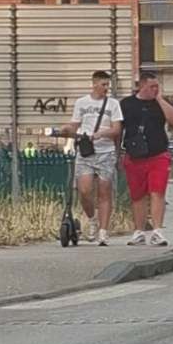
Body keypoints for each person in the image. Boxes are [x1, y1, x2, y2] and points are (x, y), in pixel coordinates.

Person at [61, 70, 124, 246]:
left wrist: (101, 134)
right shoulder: (82, 103)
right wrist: (66, 129)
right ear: (94, 84)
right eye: (103, 84)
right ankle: (92, 219)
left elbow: (116, 129)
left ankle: (103, 231)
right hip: (86, 151)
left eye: (107, 85)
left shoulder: (113, 104)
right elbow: (74, 125)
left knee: (104, 191)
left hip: (105, 152)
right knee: (84, 190)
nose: (106, 88)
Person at [120, 70, 173, 247]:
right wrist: (117, 153)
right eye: (151, 86)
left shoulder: (160, 104)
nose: (155, 89)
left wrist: (160, 99)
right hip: (135, 155)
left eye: (157, 86)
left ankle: (157, 231)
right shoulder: (127, 104)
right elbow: (119, 128)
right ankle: (139, 231)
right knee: (137, 195)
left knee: (157, 191)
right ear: (141, 85)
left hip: (158, 154)